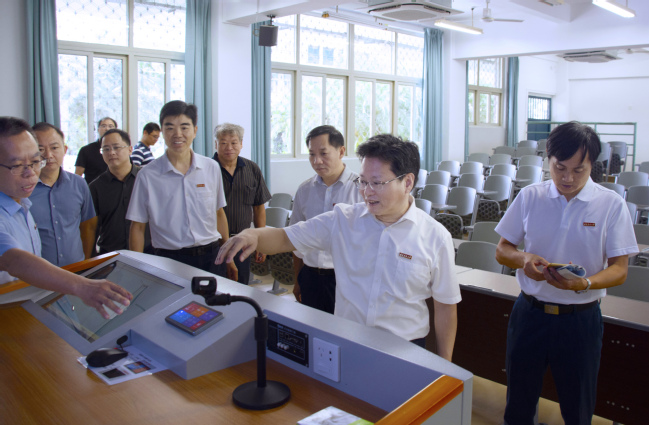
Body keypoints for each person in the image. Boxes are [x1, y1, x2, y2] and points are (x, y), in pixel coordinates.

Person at [216, 134, 460, 360]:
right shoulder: (343, 220)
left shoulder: (435, 237)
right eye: (363, 182)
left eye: (377, 183)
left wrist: (446, 365)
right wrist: (253, 235)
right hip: (348, 342)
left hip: (405, 349)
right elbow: (284, 238)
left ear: (407, 182)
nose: (366, 192)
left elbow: (445, 307)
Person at [494, 121, 638, 425]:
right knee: (518, 403)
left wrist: (584, 283)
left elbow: (620, 270)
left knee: (577, 408)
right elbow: (502, 250)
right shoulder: (530, 196)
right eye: (559, 168)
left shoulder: (611, 205)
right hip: (530, 314)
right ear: (548, 159)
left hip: (580, 321)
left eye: (578, 170)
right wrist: (524, 259)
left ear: (592, 165)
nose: (567, 178)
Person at [0, 116, 131, 319]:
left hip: (34, 303)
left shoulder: (23, 203)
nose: (31, 173)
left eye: (35, 162)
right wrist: (82, 286)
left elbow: (87, 227)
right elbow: (13, 260)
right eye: (17, 165)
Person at [126, 101, 237, 281]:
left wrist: (228, 255)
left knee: (213, 300)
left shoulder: (211, 167)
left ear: (195, 130)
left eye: (184, 127)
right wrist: (137, 268)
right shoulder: (147, 175)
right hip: (169, 259)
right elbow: (137, 227)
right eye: (170, 128)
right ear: (162, 132)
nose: (177, 134)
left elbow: (218, 213)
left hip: (211, 257)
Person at [289, 125, 363, 314]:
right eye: (311, 154)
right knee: (312, 327)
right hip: (310, 276)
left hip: (346, 279)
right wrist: (298, 280)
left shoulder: (361, 189)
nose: (317, 161)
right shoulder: (304, 190)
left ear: (341, 151)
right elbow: (296, 243)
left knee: (345, 329)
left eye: (323, 153)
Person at [30, 123, 96, 267]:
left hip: (76, 270)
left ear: (64, 150)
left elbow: (88, 226)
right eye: (40, 149)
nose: (48, 155)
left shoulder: (79, 184)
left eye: (54, 148)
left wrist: (85, 263)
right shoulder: (23, 190)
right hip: (37, 274)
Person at [212, 123, 271, 285]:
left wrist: (260, 241)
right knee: (216, 289)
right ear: (216, 144)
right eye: (223, 143)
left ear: (241, 144)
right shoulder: (207, 169)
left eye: (234, 142)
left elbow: (258, 207)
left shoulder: (252, 169)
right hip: (213, 244)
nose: (229, 147)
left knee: (240, 286)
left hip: (242, 241)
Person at [90, 129, 147, 254]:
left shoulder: (146, 179)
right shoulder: (95, 187)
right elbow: (92, 228)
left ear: (130, 149)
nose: (111, 153)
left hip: (148, 253)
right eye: (106, 149)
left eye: (116, 147)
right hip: (110, 254)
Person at [75, 117, 117, 184]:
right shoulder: (86, 150)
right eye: (103, 126)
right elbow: (77, 176)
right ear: (98, 129)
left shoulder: (120, 150)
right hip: (91, 188)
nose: (107, 129)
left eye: (110, 126)